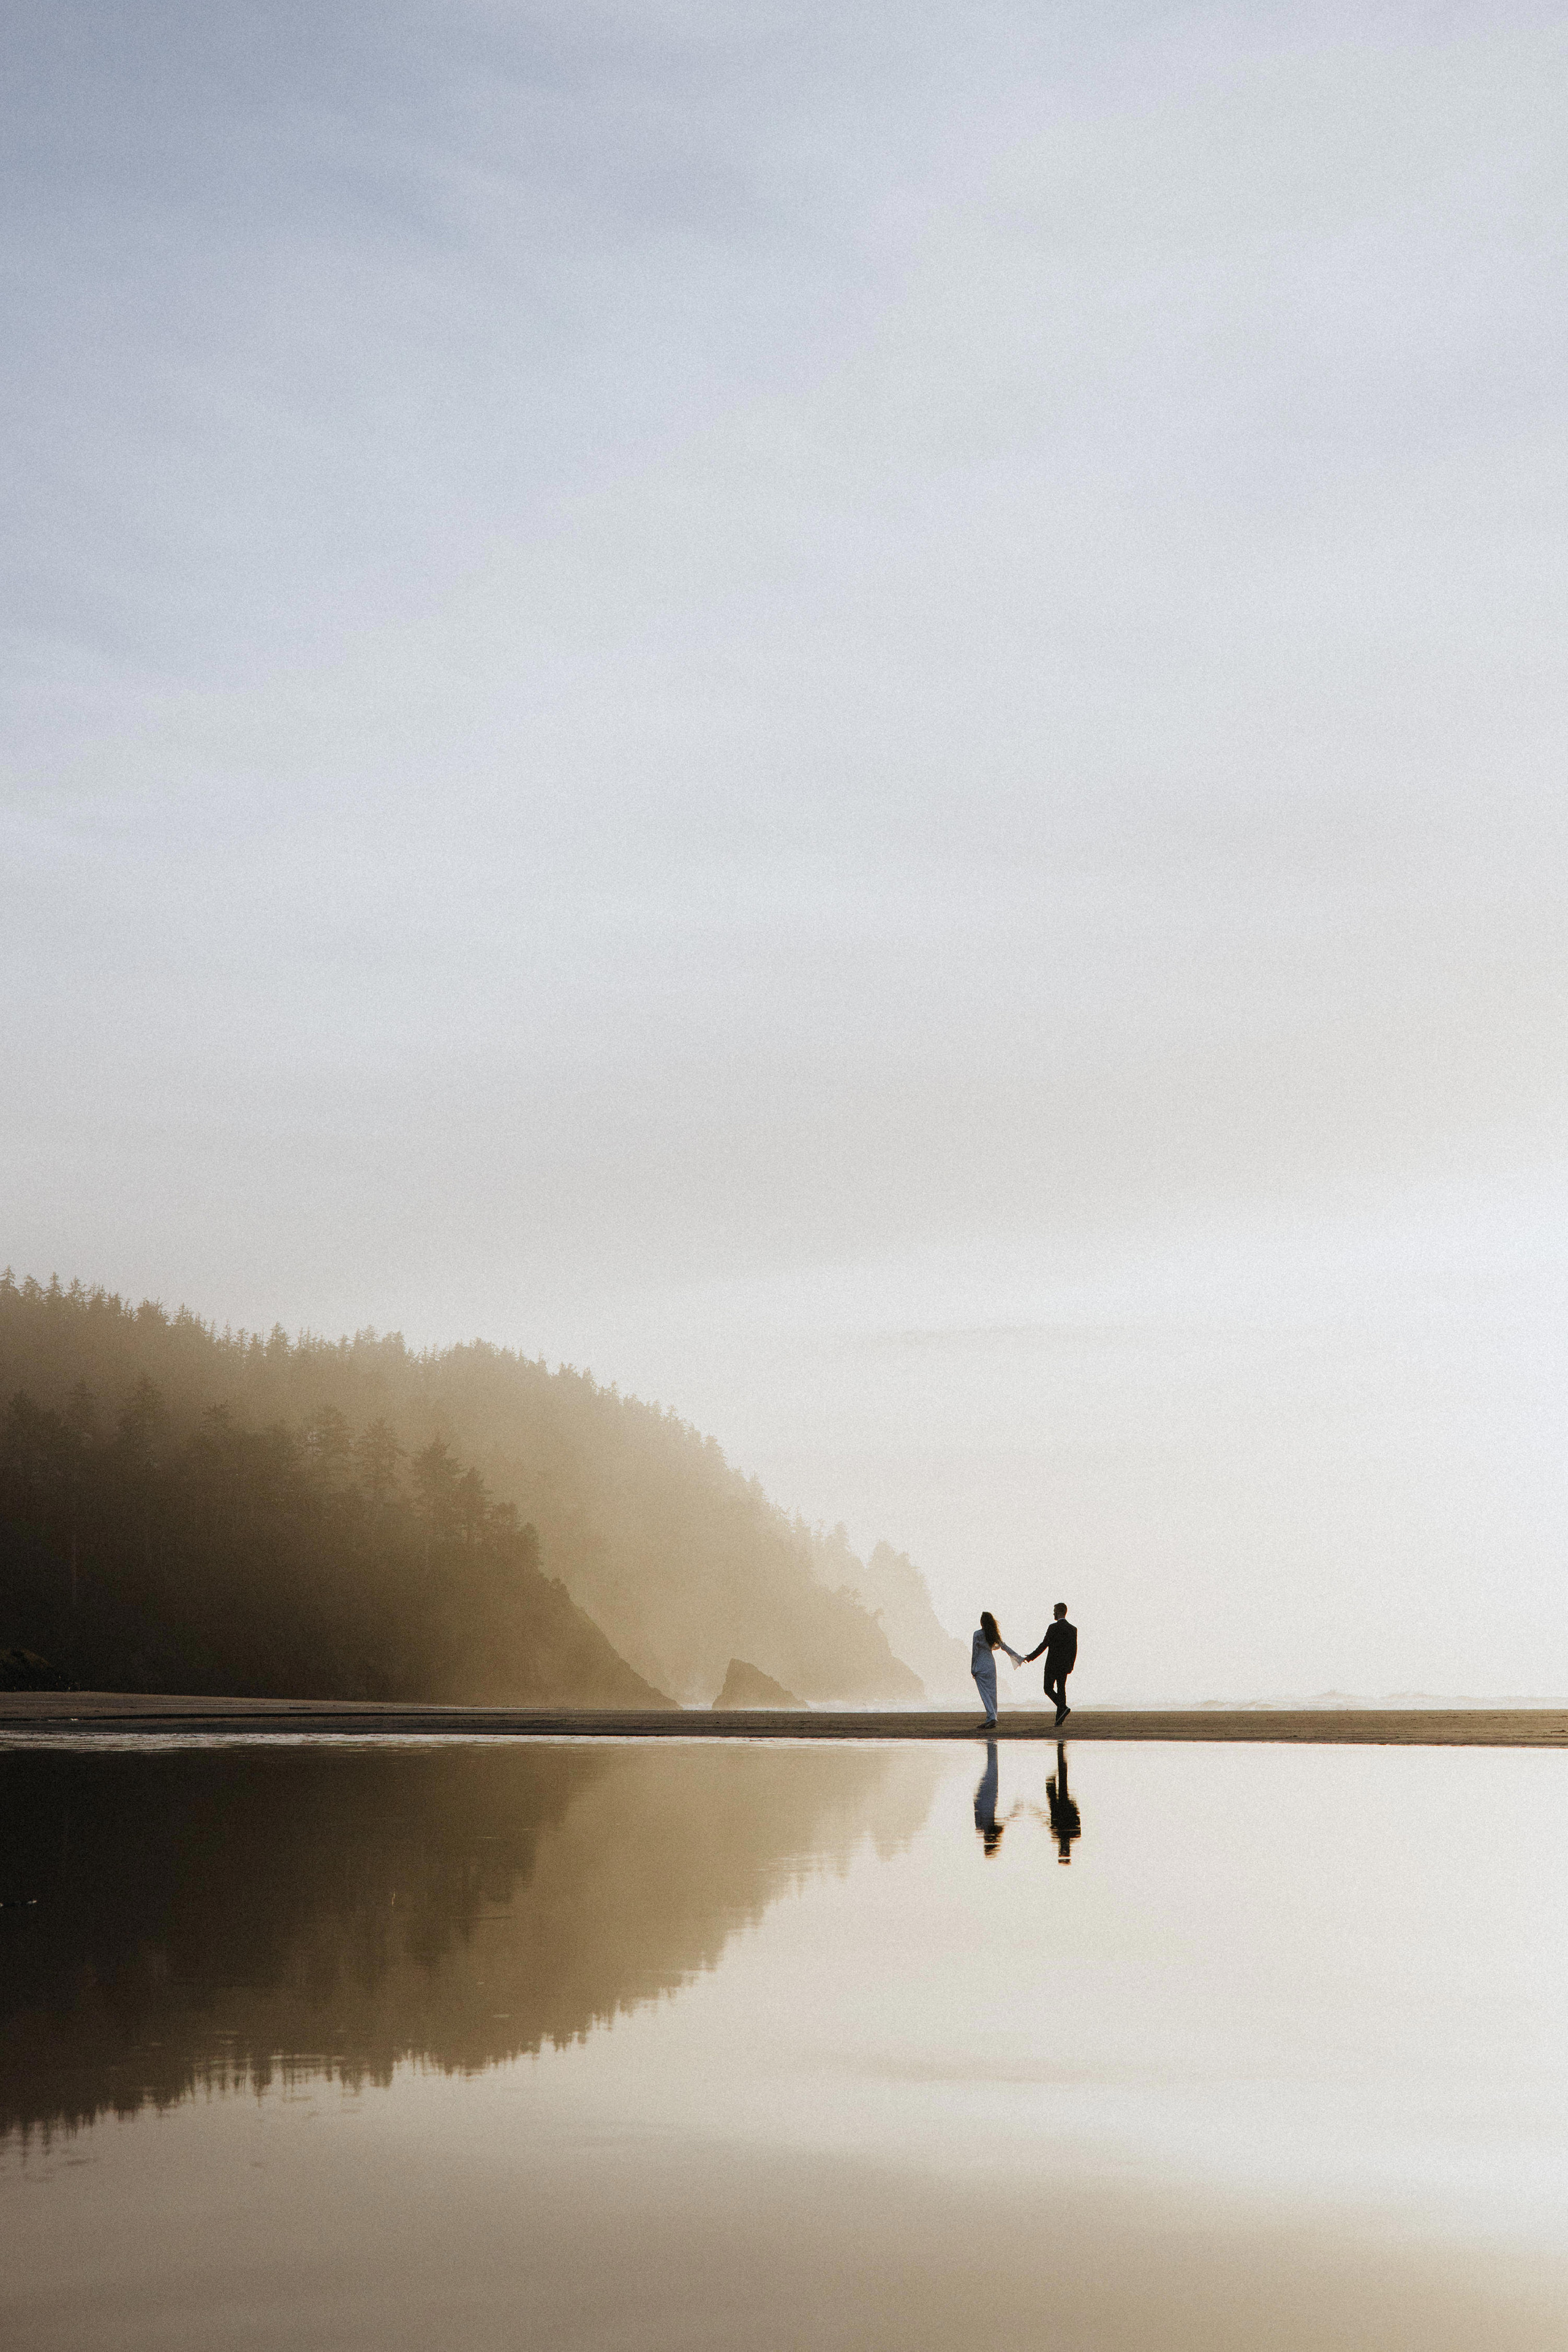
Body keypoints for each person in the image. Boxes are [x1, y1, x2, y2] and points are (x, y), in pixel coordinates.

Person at [1023, 1603, 1077, 1727]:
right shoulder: (1073, 1629)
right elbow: (1074, 1649)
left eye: (1054, 1611)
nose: (1053, 1613)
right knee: (1061, 1689)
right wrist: (1071, 1665)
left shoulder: (1053, 1628)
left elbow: (1044, 1645)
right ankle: (1060, 1719)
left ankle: (1063, 1708)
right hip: (1065, 1665)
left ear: (1059, 1612)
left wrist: (1031, 1657)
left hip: (1052, 1664)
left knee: (1048, 1688)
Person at [971, 1610, 1022, 1729]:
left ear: (982, 1622)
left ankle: (991, 1717)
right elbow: (1004, 1647)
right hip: (990, 1664)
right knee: (992, 1693)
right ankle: (992, 1717)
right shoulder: (993, 1635)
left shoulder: (977, 1634)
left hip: (981, 1665)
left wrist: (973, 1668)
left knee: (985, 1693)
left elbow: (975, 1652)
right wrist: (1018, 1657)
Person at [973, 1740, 1005, 1855]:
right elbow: (976, 1807)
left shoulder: (982, 1827)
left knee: (992, 1771)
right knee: (992, 1771)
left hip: (988, 1801)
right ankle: (991, 1746)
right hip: (985, 1801)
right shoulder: (981, 1827)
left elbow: (976, 1809)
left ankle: (991, 1746)